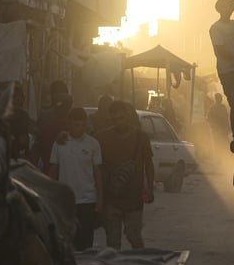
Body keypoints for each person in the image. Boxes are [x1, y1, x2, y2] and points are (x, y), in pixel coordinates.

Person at [100, 101, 155, 250]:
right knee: (112, 242)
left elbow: (148, 164)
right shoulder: (102, 138)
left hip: (134, 198)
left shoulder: (141, 137)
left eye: (121, 118)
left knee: (134, 237)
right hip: (111, 198)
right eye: (115, 119)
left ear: (127, 117)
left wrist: (150, 188)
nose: (119, 122)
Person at [49, 107, 103, 250]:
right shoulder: (59, 143)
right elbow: (54, 170)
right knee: (66, 239)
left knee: (86, 241)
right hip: (66, 200)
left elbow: (97, 172)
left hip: (87, 199)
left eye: (82, 125)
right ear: (69, 124)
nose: (79, 128)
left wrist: (100, 198)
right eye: (76, 124)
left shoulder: (93, 144)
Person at [209, 0, 234, 141]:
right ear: (219, 8)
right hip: (227, 70)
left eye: (229, 6)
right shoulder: (215, 28)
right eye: (223, 6)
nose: (227, 9)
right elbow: (221, 50)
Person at [32, 90, 73, 174]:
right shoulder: (46, 129)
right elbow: (35, 153)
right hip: (54, 174)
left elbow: (35, 155)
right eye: (60, 104)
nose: (62, 107)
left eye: (64, 105)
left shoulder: (76, 129)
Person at [6, 84, 37, 160]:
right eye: (21, 96)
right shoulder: (22, 114)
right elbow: (23, 140)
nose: (23, 98)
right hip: (18, 155)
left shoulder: (3, 113)